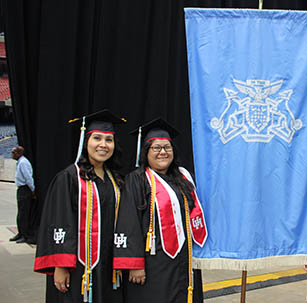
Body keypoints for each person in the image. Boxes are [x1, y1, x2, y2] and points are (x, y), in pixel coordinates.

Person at [34, 109, 125, 303]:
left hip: (109, 265)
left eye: (109, 140)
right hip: (77, 266)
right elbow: (58, 221)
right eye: (97, 138)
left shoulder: (115, 179)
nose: (103, 145)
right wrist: (60, 265)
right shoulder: (69, 177)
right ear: (86, 142)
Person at [113, 118, 207, 303]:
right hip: (152, 263)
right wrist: (134, 264)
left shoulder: (184, 178)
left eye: (167, 147)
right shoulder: (137, 180)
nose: (162, 152)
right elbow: (128, 221)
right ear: (146, 152)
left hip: (185, 258)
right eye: (156, 148)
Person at [10, 146, 36, 244]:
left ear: (19, 153)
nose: (12, 154)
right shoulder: (20, 162)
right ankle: (20, 233)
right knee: (20, 213)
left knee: (24, 214)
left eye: (13, 152)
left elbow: (28, 177)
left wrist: (32, 190)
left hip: (25, 189)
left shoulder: (24, 163)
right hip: (21, 189)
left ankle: (25, 235)